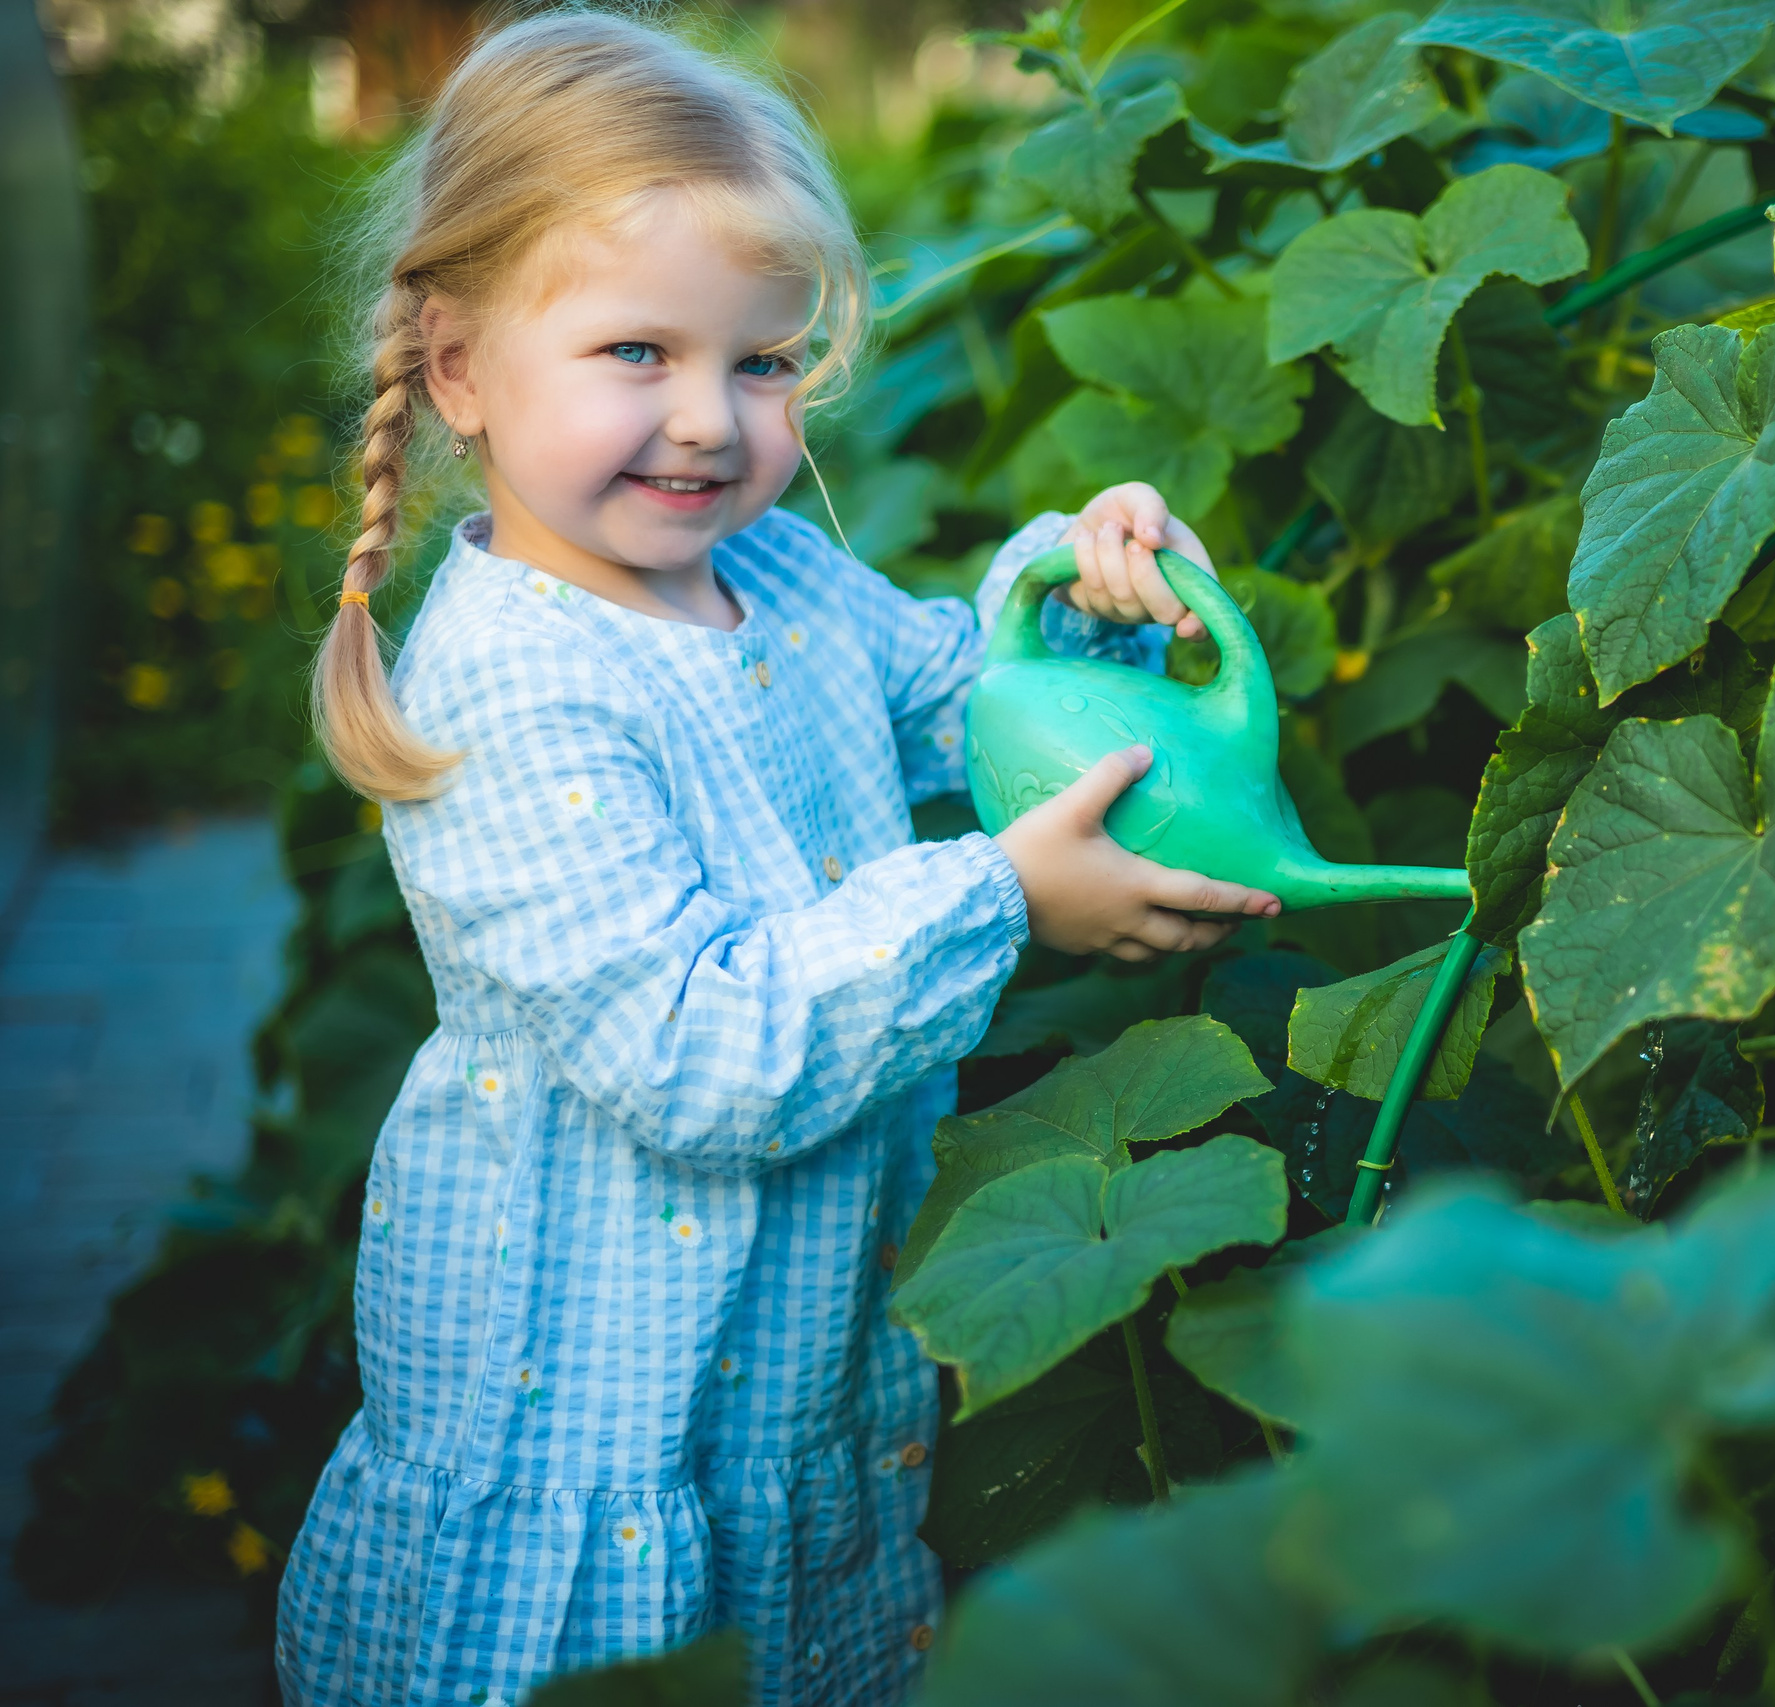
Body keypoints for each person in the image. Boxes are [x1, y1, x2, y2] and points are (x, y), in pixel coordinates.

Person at [273, 13, 1278, 1704]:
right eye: (634, 355)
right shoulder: (516, 685)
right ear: (458, 369)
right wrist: (1008, 898)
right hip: (598, 1445)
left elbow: (975, 711)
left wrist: (1081, 599)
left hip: (790, 1387)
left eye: (758, 362)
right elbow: (697, 1051)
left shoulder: (782, 586)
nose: (708, 425)